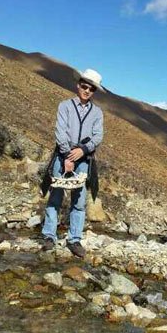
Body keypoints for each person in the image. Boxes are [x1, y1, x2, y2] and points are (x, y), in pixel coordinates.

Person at [39, 69, 105, 258]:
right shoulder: (65, 106)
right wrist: (68, 156)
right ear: (78, 85)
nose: (86, 91)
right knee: (55, 197)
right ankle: (49, 236)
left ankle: (74, 239)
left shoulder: (97, 113)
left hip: (84, 160)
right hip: (63, 157)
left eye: (91, 89)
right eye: (84, 86)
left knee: (79, 201)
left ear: (94, 91)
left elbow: (97, 136)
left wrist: (83, 150)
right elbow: (60, 132)